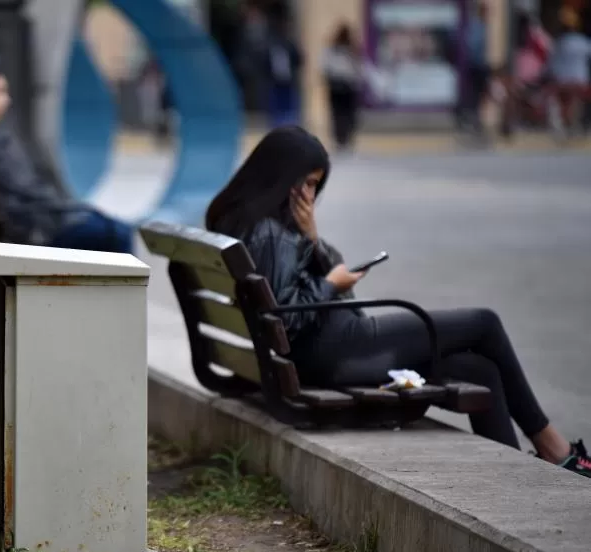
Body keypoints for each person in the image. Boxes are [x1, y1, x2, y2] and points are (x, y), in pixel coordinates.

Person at [204, 126, 591, 479]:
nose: (308, 196)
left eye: (314, 187)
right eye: (305, 183)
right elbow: (288, 319)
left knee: (480, 369)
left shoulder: (248, 223)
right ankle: (554, 449)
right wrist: (330, 283)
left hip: (321, 352)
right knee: (484, 323)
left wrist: (313, 240)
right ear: (280, 175)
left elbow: (282, 307)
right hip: (338, 351)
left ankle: (522, 481)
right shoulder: (271, 233)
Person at [0, 53, 133, 253]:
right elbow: (25, 192)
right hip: (34, 235)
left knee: (103, 223)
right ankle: (126, 284)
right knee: (118, 232)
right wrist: (70, 209)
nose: (6, 100)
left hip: (17, 230)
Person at [549, 7, 591, 135]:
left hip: (563, 80)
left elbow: (552, 62)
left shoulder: (559, 43)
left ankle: (565, 127)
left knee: (563, 105)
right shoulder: (583, 42)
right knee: (577, 104)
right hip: (579, 79)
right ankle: (577, 126)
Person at [323, 24, 364, 151]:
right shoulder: (332, 50)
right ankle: (340, 139)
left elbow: (359, 67)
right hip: (337, 85)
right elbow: (325, 66)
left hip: (348, 85)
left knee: (348, 114)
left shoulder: (352, 50)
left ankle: (346, 138)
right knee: (339, 114)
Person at [458, 2, 491, 136]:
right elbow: (473, 47)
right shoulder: (477, 26)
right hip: (476, 66)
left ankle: (476, 119)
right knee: (475, 95)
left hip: (479, 65)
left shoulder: (482, 26)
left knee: (480, 96)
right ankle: (472, 120)